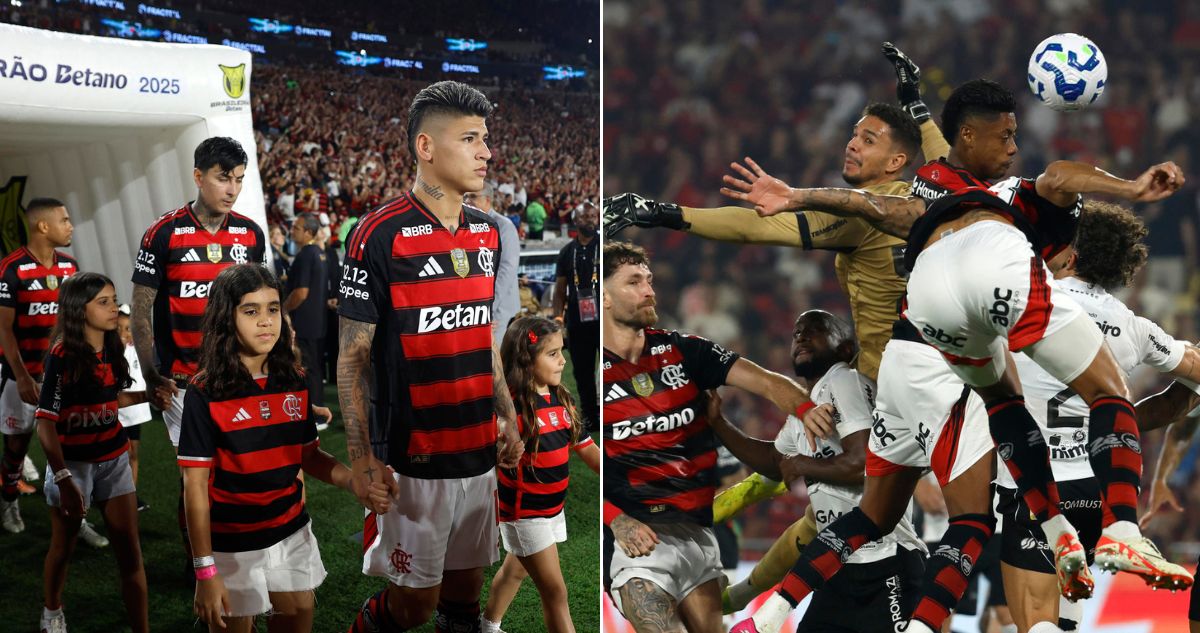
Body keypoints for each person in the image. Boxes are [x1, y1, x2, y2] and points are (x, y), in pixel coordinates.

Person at [724, 77, 1190, 633]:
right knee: (1088, 405)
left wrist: (798, 195)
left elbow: (878, 207)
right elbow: (1063, 174)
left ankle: (767, 616)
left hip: (920, 313)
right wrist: (1132, 189)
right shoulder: (1018, 199)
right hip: (985, 280)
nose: (1015, 146)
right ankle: (1120, 531)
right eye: (1008, 135)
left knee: (907, 483)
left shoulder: (931, 188)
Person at [339, 80, 523, 633]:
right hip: (413, 461)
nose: (486, 152)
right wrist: (361, 457)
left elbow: (481, 338)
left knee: (465, 599)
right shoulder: (378, 233)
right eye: (470, 139)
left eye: (485, 139)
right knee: (414, 607)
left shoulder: (487, 236)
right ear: (426, 147)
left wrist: (507, 411)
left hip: (478, 450)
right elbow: (353, 359)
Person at [1000, 202, 1200, 632]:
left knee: (1035, 623)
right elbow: (1194, 378)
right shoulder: (1134, 327)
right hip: (1098, 488)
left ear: (1070, 253)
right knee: (1069, 617)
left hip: (1035, 486)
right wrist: (1120, 420)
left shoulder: (1032, 304)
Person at [602, 240, 809, 633]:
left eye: (649, 280)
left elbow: (766, 383)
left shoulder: (686, 350)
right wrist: (616, 520)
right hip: (640, 541)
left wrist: (810, 412)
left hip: (700, 540)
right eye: (634, 282)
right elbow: (575, 461)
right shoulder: (594, 372)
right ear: (606, 299)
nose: (649, 290)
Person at [179, 264, 388, 633]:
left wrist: (351, 481)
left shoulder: (295, 379)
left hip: (291, 530)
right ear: (225, 317)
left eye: (273, 309)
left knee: (297, 615)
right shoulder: (204, 390)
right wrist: (205, 569)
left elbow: (308, 454)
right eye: (251, 310)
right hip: (232, 542)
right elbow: (194, 486)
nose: (265, 321)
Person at [710, 310, 927, 632]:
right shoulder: (805, 408)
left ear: (844, 348)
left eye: (815, 329)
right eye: (797, 332)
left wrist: (802, 464)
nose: (801, 337)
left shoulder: (845, 380)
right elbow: (773, 461)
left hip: (884, 561)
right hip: (837, 566)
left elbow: (865, 465)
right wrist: (717, 422)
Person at [130, 136, 267, 565]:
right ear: (198, 176)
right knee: (198, 477)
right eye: (223, 178)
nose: (231, 189)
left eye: (239, 180)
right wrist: (153, 374)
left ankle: (225, 554)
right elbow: (140, 311)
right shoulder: (164, 233)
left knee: (235, 474)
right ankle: (200, 567)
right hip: (184, 384)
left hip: (237, 378)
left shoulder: (250, 234)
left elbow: (261, 306)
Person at [36, 272, 150, 633]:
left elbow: (110, 400)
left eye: (113, 299)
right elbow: (45, 421)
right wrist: (63, 476)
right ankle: (52, 611)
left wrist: (151, 395)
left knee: (131, 554)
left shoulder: (114, 345)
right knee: (63, 547)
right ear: (77, 310)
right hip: (72, 466)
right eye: (103, 302)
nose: (114, 307)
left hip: (113, 460)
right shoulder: (62, 355)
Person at [482, 316, 600, 633]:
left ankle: (487, 626)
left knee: (515, 571)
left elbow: (588, 449)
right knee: (556, 592)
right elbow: (488, 450)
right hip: (525, 514)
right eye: (552, 353)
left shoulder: (562, 397)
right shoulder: (511, 405)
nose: (563, 360)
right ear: (526, 358)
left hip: (552, 511)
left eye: (562, 351)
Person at [0, 197, 77, 534]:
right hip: (22, 378)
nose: (70, 226)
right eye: (64, 220)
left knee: (70, 447)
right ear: (43, 226)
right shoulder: (11, 268)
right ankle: (8, 502)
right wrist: (22, 376)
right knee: (17, 445)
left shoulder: (71, 268)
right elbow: (3, 328)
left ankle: (75, 514)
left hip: (61, 377)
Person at [553, 201, 600, 432]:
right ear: (576, 220)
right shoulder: (566, 252)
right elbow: (560, 290)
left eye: (593, 215)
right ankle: (591, 416)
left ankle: (615, 412)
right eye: (585, 216)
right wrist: (558, 318)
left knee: (612, 366)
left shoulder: (606, 245)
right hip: (577, 321)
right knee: (582, 372)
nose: (590, 219)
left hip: (605, 319)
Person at [284, 213, 328, 411]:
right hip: (318, 320)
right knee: (315, 367)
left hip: (304, 322)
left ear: (308, 232)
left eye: (296, 228)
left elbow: (301, 293)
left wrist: (283, 308)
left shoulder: (305, 255)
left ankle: (315, 413)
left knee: (307, 368)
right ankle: (317, 410)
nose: (292, 231)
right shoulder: (319, 253)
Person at [467, 183, 520, 329]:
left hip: (498, 310)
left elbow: (506, 270)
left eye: (472, 197)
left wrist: (488, 307)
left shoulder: (504, 226)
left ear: (488, 200)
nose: (467, 201)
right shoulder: (467, 226)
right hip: (476, 310)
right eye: (465, 197)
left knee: (495, 351)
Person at [116, 305, 152, 512]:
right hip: (115, 407)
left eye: (128, 329)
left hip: (134, 409)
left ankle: (130, 496)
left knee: (133, 454)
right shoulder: (107, 348)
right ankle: (112, 495)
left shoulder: (140, 346)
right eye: (119, 328)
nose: (123, 333)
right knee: (118, 454)